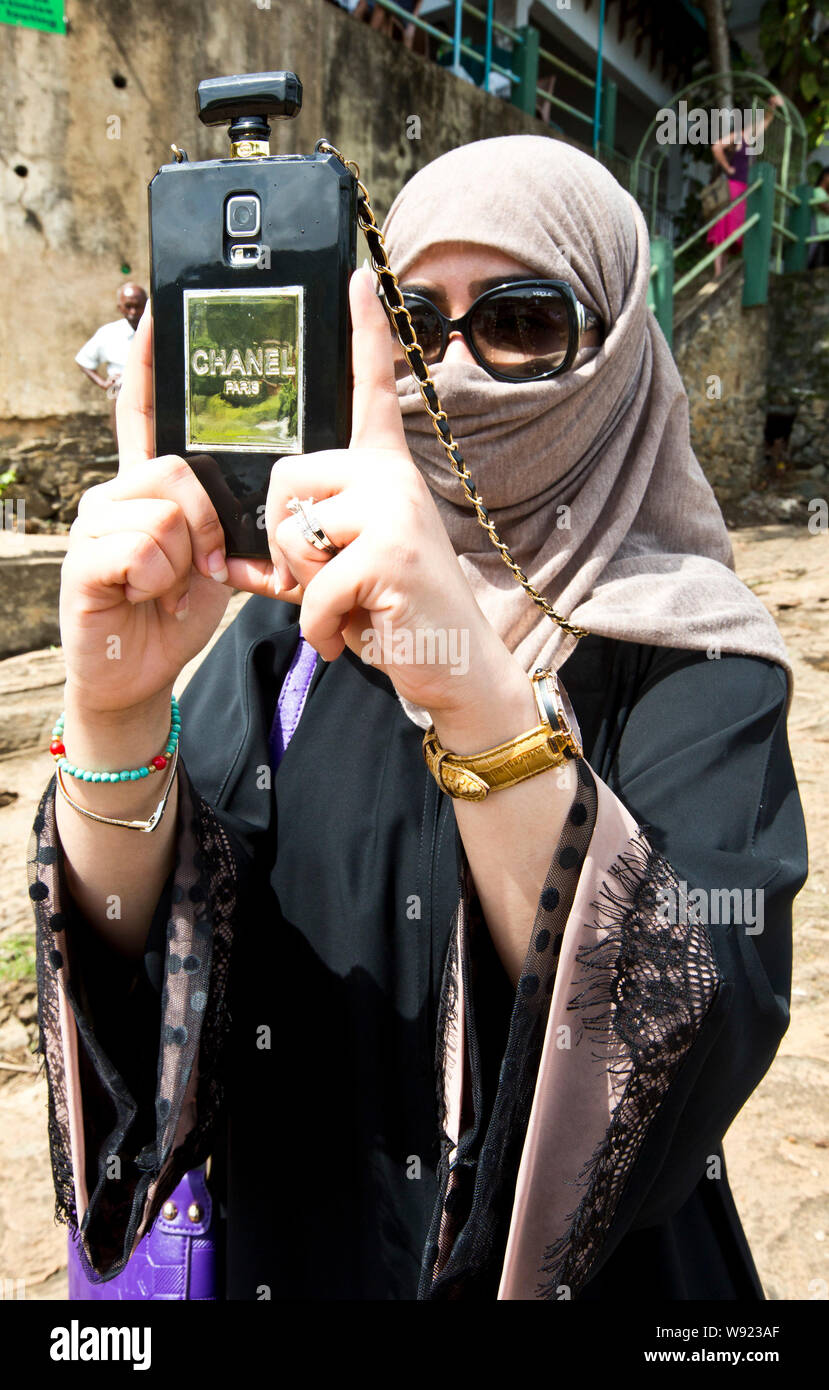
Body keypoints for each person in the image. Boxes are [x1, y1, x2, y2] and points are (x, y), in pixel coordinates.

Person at [30, 136, 806, 1301]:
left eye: (521, 321)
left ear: (616, 354)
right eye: (410, 318)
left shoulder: (693, 655)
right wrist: (116, 714)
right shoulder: (291, 620)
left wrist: (473, 692)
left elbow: (694, 1028)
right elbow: (159, 945)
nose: (450, 371)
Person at [708, 94, 783, 276]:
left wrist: (772, 106)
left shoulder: (749, 138)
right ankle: (719, 273)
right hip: (733, 186)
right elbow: (716, 146)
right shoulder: (738, 136)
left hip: (743, 189)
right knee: (723, 230)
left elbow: (766, 121)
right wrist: (727, 167)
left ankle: (722, 273)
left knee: (732, 229)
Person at [75, 283, 148, 442]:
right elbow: (83, 360)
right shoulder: (109, 333)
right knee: (125, 447)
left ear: (147, 305)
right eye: (128, 306)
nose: (133, 312)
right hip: (120, 395)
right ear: (119, 307)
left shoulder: (156, 329)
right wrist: (102, 383)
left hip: (153, 396)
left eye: (138, 306)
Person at [808, 167, 829, 270]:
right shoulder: (817, 191)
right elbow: (825, 207)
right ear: (825, 176)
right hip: (824, 230)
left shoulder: (825, 194)